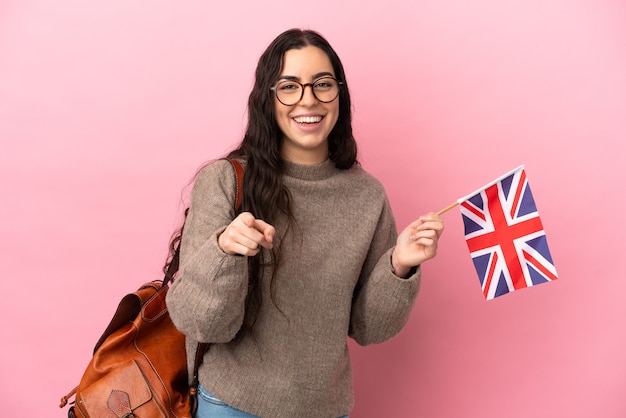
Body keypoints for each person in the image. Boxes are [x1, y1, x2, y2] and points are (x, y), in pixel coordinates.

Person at [166, 28, 444, 418]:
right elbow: (200, 323)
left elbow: (369, 328)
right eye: (289, 86)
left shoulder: (367, 196)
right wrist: (225, 249)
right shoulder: (225, 181)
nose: (308, 100)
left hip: (325, 411)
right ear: (268, 97)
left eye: (322, 84)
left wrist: (399, 267)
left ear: (340, 94)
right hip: (230, 406)